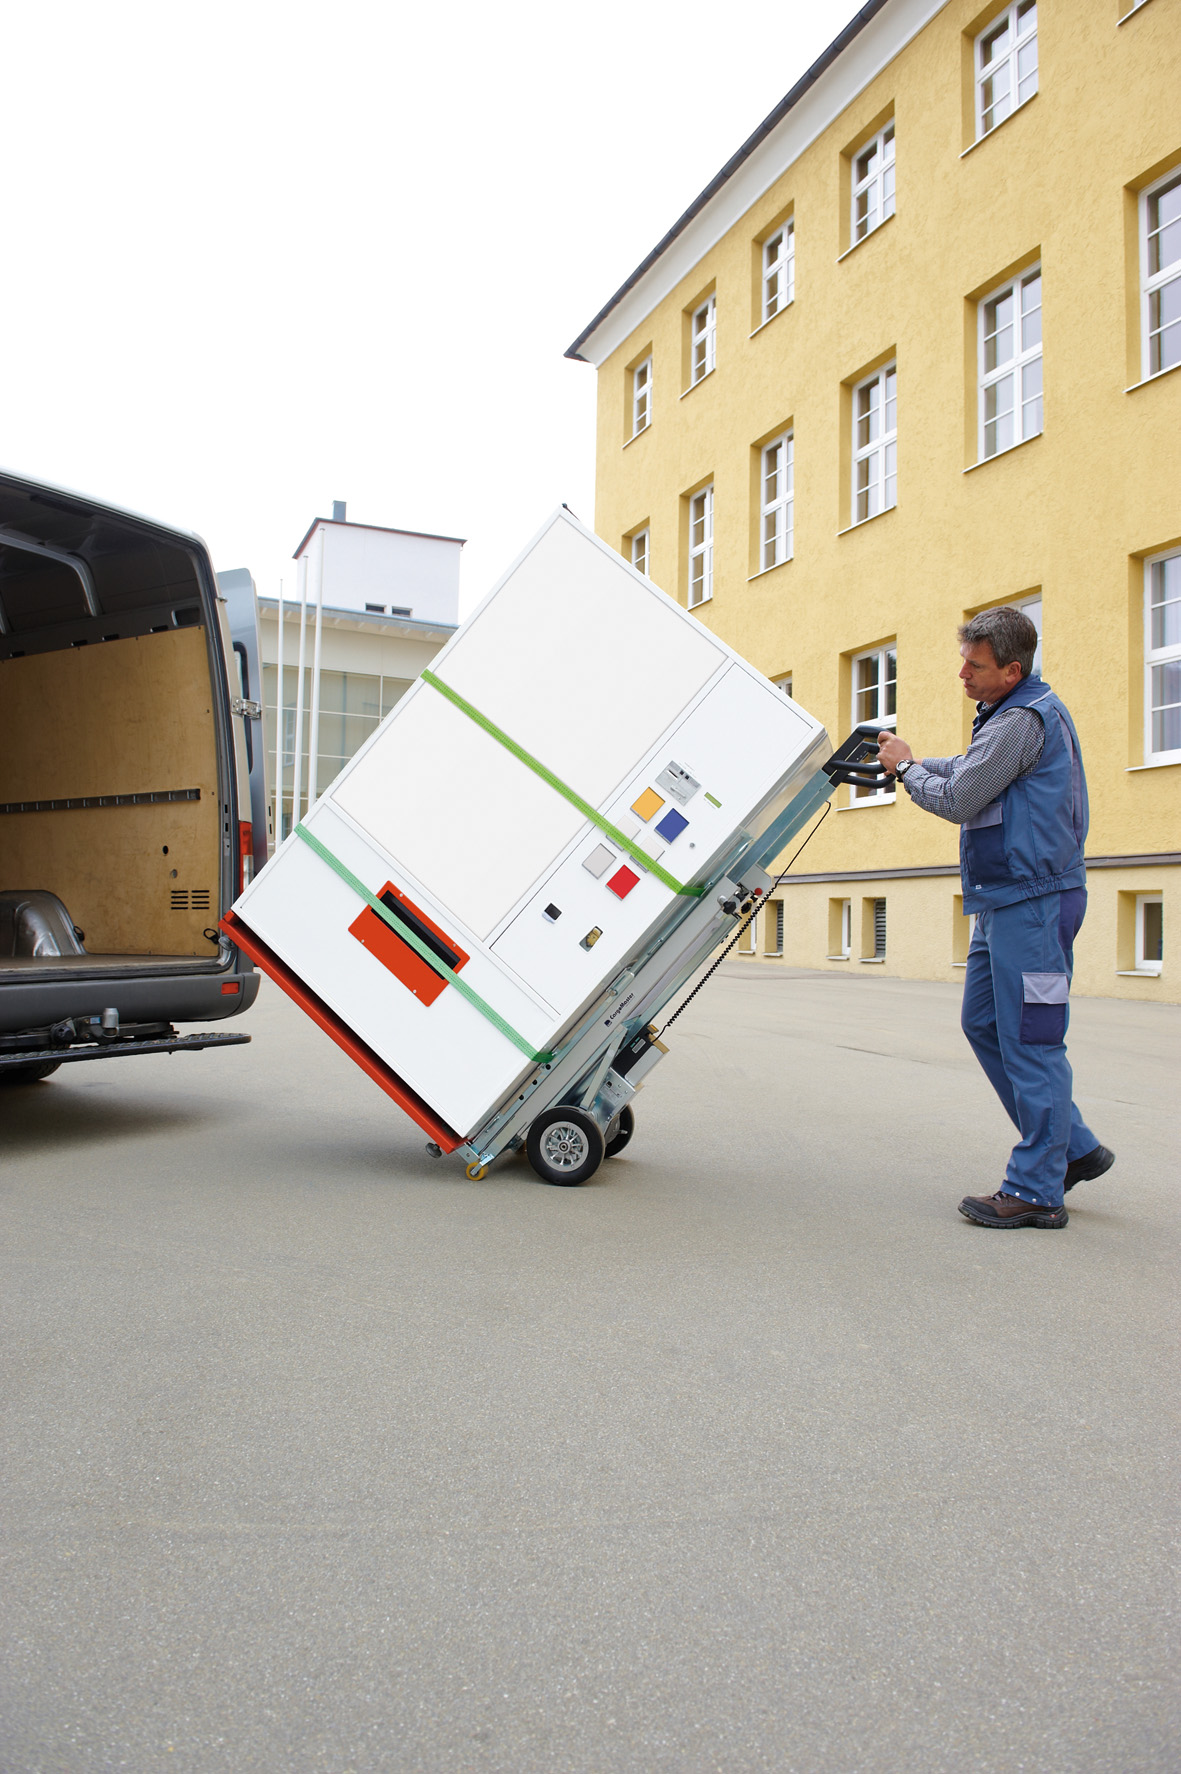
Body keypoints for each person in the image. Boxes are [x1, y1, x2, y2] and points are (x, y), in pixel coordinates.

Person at [875, 607, 1114, 1229]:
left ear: (1011, 670)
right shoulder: (1004, 720)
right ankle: (1075, 1147)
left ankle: (1036, 1190)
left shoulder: (1022, 723)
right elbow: (962, 770)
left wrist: (904, 770)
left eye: (974, 666)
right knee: (983, 1022)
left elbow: (957, 798)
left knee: (1033, 1040)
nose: (962, 674)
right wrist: (916, 760)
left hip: (1032, 907)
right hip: (1004, 903)